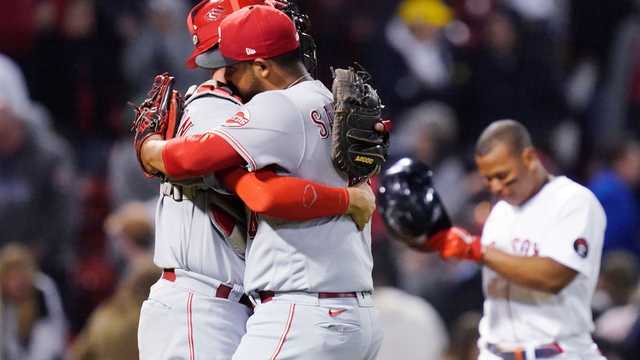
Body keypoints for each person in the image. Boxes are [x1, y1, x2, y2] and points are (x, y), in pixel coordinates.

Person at [136, 2, 378, 360]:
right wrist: (349, 198)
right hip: (212, 302)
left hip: (298, 307)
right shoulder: (322, 101)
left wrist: (148, 147)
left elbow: (249, 187)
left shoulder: (276, 108)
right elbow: (256, 190)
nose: (227, 74)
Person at [380, 119, 607, 359]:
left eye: (502, 175)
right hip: (496, 350)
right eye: (489, 178)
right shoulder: (501, 212)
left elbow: (554, 277)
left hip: (556, 352)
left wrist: (475, 249)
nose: (496, 187)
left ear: (529, 158)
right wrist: (431, 238)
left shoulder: (574, 201)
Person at [0, 243, 67, 360]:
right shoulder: (4, 302)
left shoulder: (41, 289)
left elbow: (55, 336)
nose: (17, 282)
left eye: (20, 273)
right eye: (11, 277)